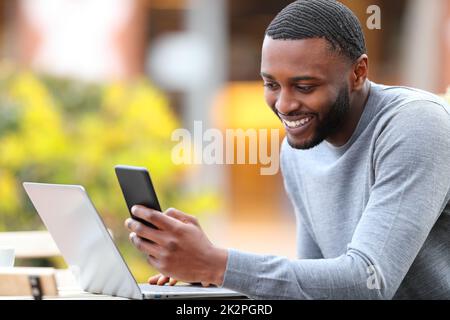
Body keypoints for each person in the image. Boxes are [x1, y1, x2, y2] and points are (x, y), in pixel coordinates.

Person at [125, 0, 450, 299]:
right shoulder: (300, 147)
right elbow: (316, 289)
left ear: (358, 72)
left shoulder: (416, 124)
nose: (284, 105)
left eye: (305, 86)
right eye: (271, 84)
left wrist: (218, 265)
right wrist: (206, 274)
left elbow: (369, 281)